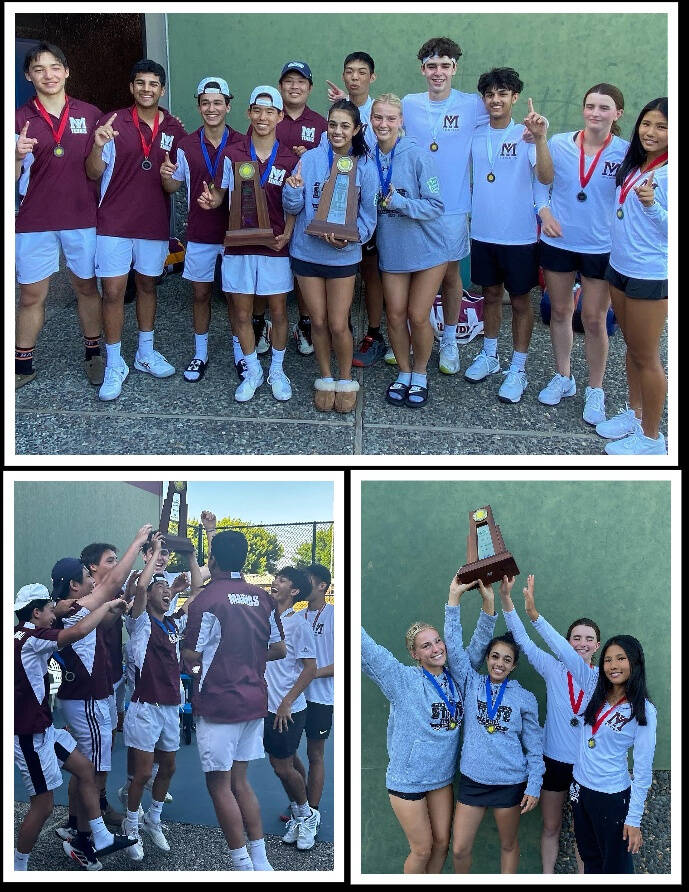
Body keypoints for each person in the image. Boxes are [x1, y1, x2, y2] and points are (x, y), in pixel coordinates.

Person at [361, 575, 496, 873]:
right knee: (421, 849)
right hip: (407, 779)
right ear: (415, 654)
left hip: (441, 777)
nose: (436, 648)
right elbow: (367, 649)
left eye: (437, 641)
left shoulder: (456, 676)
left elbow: (479, 644)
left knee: (442, 844)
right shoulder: (402, 680)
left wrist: (488, 603)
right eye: (426, 646)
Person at [521, 577, 656, 873]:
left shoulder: (643, 709)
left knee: (614, 866)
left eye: (621, 659)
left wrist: (634, 818)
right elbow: (564, 652)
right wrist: (533, 615)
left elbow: (644, 769)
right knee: (589, 855)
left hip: (611, 795)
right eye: (609, 660)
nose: (613, 665)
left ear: (635, 663)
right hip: (580, 787)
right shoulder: (595, 689)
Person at [181, 530, 286, 871]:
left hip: (219, 702)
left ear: (212, 560)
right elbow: (279, 649)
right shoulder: (263, 597)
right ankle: (260, 861)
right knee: (240, 782)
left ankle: (242, 865)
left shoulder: (206, 600)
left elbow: (191, 655)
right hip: (253, 700)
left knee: (219, 785)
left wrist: (191, 656)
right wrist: (246, 659)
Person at [14, 584, 135, 871]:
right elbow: (78, 631)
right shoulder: (34, 638)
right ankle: (18, 867)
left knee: (85, 769)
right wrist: (106, 606)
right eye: (49, 611)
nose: (53, 616)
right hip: (29, 736)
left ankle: (99, 836)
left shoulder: (19, 634)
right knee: (43, 806)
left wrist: (62, 607)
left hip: (43, 729)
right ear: (36, 612)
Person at [85, 59, 187, 401]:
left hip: (153, 223)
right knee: (113, 292)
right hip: (113, 223)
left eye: (153, 84)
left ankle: (145, 352)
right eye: (140, 83)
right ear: (131, 87)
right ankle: (115, 363)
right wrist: (98, 145)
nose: (147, 89)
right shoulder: (112, 121)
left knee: (147, 286)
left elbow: (172, 185)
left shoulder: (173, 128)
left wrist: (169, 177)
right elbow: (93, 172)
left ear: (162, 89)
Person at [51, 523, 152, 858]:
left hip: (83, 697)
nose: (93, 582)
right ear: (74, 585)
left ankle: (83, 832)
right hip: (87, 698)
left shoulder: (71, 610)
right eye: (86, 577)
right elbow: (111, 582)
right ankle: (88, 837)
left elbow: (103, 620)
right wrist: (138, 541)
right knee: (92, 770)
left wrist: (115, 607)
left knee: (89, 769)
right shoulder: (73, 609)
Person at [197, 86, 297, 402]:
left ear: (280, 116)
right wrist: (210, 201)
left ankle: (277, 371)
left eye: (270, 111)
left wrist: (288, 233)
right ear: (248, 113)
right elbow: (219, 195)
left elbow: (295, 204)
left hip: (274, 247)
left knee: (278, 312)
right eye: (257, 110)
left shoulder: (290, 158)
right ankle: (252, 370)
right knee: (241, 314)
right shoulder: (233, 153)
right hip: (238, 247)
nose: (263, 117)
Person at [537, 83, 628, 426]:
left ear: (617, 114)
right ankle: (564, 376)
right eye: (590, 106)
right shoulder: (559, 143)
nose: (595, 113)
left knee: (593, 319)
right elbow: (540, 182)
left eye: (604, 108)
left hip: (600, 247)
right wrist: (544, 212)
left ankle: (595, 388)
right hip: (559, 241)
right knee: (560, 311)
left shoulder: (625, 152)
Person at [15, 41, 104, 390]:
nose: (48, 75)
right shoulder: (18, 119)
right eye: (39, 69)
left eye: (54, 67)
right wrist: (16, 157)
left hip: (82, 217)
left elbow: (98, 170)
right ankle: (22, 365)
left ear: (66, 71)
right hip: (35, 221)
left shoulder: (90, 114)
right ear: (28, 76)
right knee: (30, 295)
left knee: (86, 287)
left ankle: (93, 354)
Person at [499, 574, 600, 873]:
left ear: (597, 645)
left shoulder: (601, 677)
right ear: (567, 643)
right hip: (552, 761)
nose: (582, 643)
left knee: (584, 832)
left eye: (589, 639)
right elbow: (523, 641)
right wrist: (506, 599)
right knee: (551, 826)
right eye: (576, 638)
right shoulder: (553, 668)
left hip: (586, 764)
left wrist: (535, 615)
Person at [401, 37, 489, 376]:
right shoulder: (409, 103)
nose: (438, 72)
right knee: (413, 272)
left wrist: (532, 134)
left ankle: (449, 339)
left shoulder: (472, 104)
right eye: (432, 66)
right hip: (415, 205)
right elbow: (382, 122)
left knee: (451, 275)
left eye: (445, 66)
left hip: (452, 208)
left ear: (455, 68)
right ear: (422, 69)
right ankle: (413, 335)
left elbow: (500, 119)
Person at [283, 99, 378, 412]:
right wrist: (293, 189)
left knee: (338, 324)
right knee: (319, 322)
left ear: (357, 129)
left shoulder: (365, 165)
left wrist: (350, 239)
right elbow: (293, 207)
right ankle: (325, 377)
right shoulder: (310, 159)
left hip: (342, 256)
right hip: (307, 254)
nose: (338, 131)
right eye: (333, 124)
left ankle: (346, 379)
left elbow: (369, 217)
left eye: (345, 126)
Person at [465, 69, 553, 403]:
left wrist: (541, 139)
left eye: (502, 93)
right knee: (489, 295)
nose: (495, 100)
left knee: (519, 301)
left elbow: (546, 176)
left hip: (518, 236)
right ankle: (490, 355)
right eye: (490, 94)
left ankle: (518, 368)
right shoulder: (476, 134)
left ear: (515, 98)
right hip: (483, 231)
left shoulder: (526, 134)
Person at [446, 577, 544, 874]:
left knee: (508, 845)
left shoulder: (524, 698)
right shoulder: (470, 682)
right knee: (459, 848)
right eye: (494, 656)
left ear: (514, 665)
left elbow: (535, 746)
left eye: (507, 659)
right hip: (473, 780)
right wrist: (455, 600)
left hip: (509, 782)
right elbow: (453, 646)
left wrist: (534, 784)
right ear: (487, 659)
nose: (499, 663)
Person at [120, 532, 202, 861]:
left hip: (171, 708)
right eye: (162, 588)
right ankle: (130, 826)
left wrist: (191, 559)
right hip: (144, 708)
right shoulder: (139, 622)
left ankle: (153, 819)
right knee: (141, 773)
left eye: (169, 589)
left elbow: (197, 592)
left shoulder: (172, 625)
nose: (167, 592)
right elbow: (140, 587)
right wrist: (154, 551)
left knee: (168, 768)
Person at [596, 97, 668, 455]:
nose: (650, 132)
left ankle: (652, 439)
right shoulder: (638, 163)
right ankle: (636, 415)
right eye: (647, 124)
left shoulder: (668, 173)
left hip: (648, 274)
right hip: (620, 266)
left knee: (647, 357)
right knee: (633, 348)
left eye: (662, 127)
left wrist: (652, 206)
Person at [161, 76, 243, 383]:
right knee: (200, 294)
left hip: (235, 234)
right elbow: (172, 187)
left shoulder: (242, 143)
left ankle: (241, 354)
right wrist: (166, 175)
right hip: (200, 232)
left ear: (228, 107)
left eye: (218, 103)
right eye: (205, 103)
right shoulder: (185, 145)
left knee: (235, 297)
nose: (212, 108)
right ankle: (200, 354)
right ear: (198, 107)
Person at [368, 93, 446, 408]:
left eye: (391, 118)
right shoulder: (367, 156)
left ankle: (421, 373)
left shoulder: (418, 155)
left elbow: (436, 205)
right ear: (370, 120)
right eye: (378, 117)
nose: (384, 124)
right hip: (393, 249)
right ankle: (404, 372)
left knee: (417, 315)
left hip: (428, 248)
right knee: (396, 315)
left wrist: (400, 203)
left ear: (400, 121)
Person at [327, 52, 389, 368]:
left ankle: (374, 333)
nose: (355, 77)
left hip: (372, 201)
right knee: (344, 269)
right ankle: (344, 329)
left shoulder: (379, 113)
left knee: (371, 269)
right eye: (349, 71)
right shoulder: (339, 113)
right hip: (340, 201)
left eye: (361, 72)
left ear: (371, 77)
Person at [263, 567, 319, 850]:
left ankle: (307, 815)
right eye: (276, 578)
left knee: (281, 766)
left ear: (294, 591)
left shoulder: (299, 625)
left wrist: (286, 702)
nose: (275, 582)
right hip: (265, 706)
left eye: (282, 580)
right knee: (287, 761)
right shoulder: (265, 618)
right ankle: (300, 813)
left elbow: (310, 669)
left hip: (288, 709)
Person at [276, 60, 328, 357]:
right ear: (280, 86)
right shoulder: (269, 116)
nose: (294, 87)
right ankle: (265, 322)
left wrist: (309, 159)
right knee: (274, 265)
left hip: (307, 209)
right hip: (272, 204)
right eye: (289, 81)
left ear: (310, 88)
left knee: (304, 268)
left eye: (301, 82)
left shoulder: (320, 124)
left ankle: (305, 323)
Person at [288, 564, 334, 841]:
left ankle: (312, 813)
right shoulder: (296, 617)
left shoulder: (335, 616)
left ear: (322, 586)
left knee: (315, 754)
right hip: (295, 698)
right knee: (286, 754)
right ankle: (301, 805)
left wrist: (311, 673)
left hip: (321, 699)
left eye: (308, 580)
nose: (303, 584)